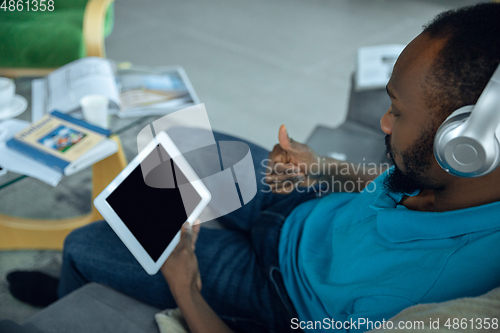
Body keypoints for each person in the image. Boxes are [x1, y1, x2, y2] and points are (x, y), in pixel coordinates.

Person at [7, 3, 500, 332]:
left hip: (279, 290)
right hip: (311, 212)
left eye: (398, 110)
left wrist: (186, 287)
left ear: (467, 146)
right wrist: (320, 166)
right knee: (177, 145)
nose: (383, 122)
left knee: (85, 244)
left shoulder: (432, 296)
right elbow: (387, 184)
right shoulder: (449, 175)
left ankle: (66, 290)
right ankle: (107, 268)